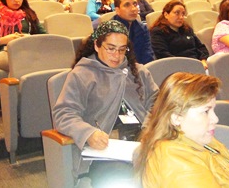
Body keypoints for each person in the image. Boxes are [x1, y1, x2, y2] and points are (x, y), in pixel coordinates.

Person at [52, 20, 159, 188]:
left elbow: (158, 104)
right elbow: (64, 113)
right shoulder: (82, 74)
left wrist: (149, 127)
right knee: (126, 179)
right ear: (96, 45)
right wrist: (88, 133)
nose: (116, 56)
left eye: (122, 50)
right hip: (105, 148)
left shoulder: (139, 72)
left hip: (143, 142)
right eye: (110, 48)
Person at [134, 72, 229, 188]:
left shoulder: (203, 142)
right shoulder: (175, 159)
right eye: (206, 111)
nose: (215, 119)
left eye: (213, 110)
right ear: (176, 117)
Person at [150, 0, 209, 69]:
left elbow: (201, 47)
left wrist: (203, 60)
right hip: (177, 68)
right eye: (177, 13)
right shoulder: (158, 32)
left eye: (183, 14)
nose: (181, 17)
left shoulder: (187, 29)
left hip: (197, 65)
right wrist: (186, 65)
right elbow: (162, 54)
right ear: (166, 15)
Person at [112, 0, 155, 64]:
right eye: (127, 5)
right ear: (117, 10)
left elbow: (148, 56)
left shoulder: (143, 28)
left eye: (135, 4)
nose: (133, 9)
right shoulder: (109, 30)